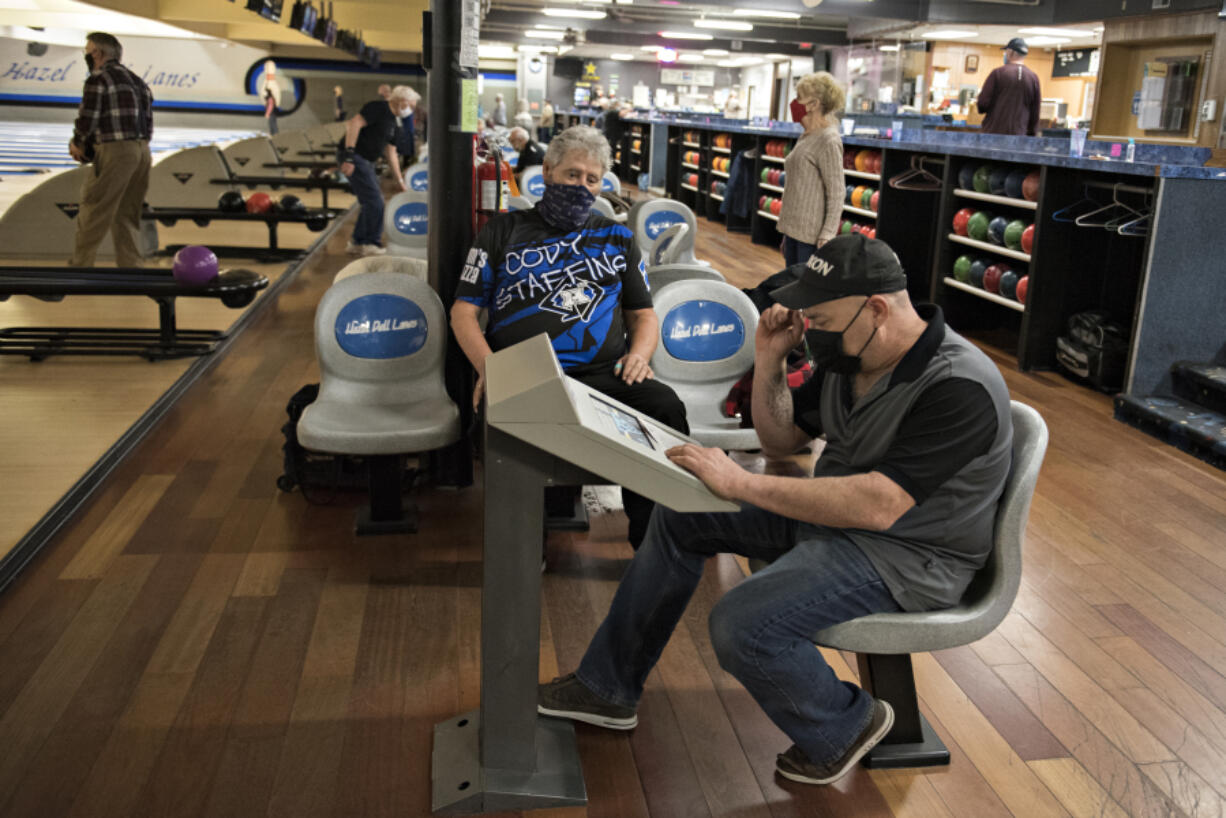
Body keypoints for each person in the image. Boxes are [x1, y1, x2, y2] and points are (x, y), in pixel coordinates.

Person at [537, 233, 1014, 786]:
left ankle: (845, 723)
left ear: (877, 308)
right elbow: (782, 440)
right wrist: (768, 360)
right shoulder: (853, 352)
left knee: (742, 624)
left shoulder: (957, 385)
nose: (813, 330)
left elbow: (880, 505)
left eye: (823, 318)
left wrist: (739, 483)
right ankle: (607, 687)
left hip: (910, 556)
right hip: (839, 523)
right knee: (680, 513)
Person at [450, 125, 688, 550]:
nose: (582, 187)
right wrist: (490, 368)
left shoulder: (617, 237)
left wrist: (640, 354)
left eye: (592, 180)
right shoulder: (503, 231)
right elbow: (463, 313)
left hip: (603, 373)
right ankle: (524, 548)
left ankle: (656, 544)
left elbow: (644, 315)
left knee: (665, 406)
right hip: (528, 375)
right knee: (514, 434)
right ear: (547, 171)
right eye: (572, 175)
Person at [68, 31, 153, 269]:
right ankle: (131, 266)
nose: (86, 54)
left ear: (97, 52)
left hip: (117, 152)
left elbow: (88, 118)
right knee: (128, 212)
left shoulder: (99, 78)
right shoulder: (137, 80)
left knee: (94, 208)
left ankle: (79, 267)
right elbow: (148, 122)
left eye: (87, 50)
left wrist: (78, 143)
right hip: (142, 151)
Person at [778, 72, 846, 267]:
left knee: (804, 294)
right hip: (794, 231)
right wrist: (787, 234)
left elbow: (836, 191)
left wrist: (827, 234)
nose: (795, 103)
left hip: (811, 237)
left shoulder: (829, 139)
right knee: (790, 288)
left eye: (800, 98)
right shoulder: (807, 136)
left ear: (814, 104)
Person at [338, 85, 412, 255]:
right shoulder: (378, 108)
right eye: (411, 105)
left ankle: (358, 242)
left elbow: (391, 153)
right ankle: (369, 242)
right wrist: (349, 155)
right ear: (402, 101)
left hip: (366, 160)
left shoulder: (394, 122)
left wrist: (400, 181)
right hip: (355, 157)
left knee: (370, 201)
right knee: (375, 202)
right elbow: (354, 124)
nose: (411, 110)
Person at [976, 37, 1041, 136]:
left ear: (1010, 52)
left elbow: (982, 104)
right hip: (1020, 134)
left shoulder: (998, 73)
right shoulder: (1033, 78)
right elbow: (1035, 111)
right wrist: (1031, 134)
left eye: (1005, 52)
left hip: (994, 133)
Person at [394, 86, 421, 172]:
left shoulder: (408, 109)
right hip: (403, 137)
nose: (414, 102)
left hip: (407, 136)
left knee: (407, 158)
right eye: (413, 100)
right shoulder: (401, 107)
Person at [262, 60, 281, 135]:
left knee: (272, 123)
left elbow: (271, 103)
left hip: (271, 109)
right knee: (272, 123)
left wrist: (267, 112)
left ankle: (275, 135)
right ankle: (274, 135)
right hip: (271, 109)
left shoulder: (271, 86)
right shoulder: (268, 83)